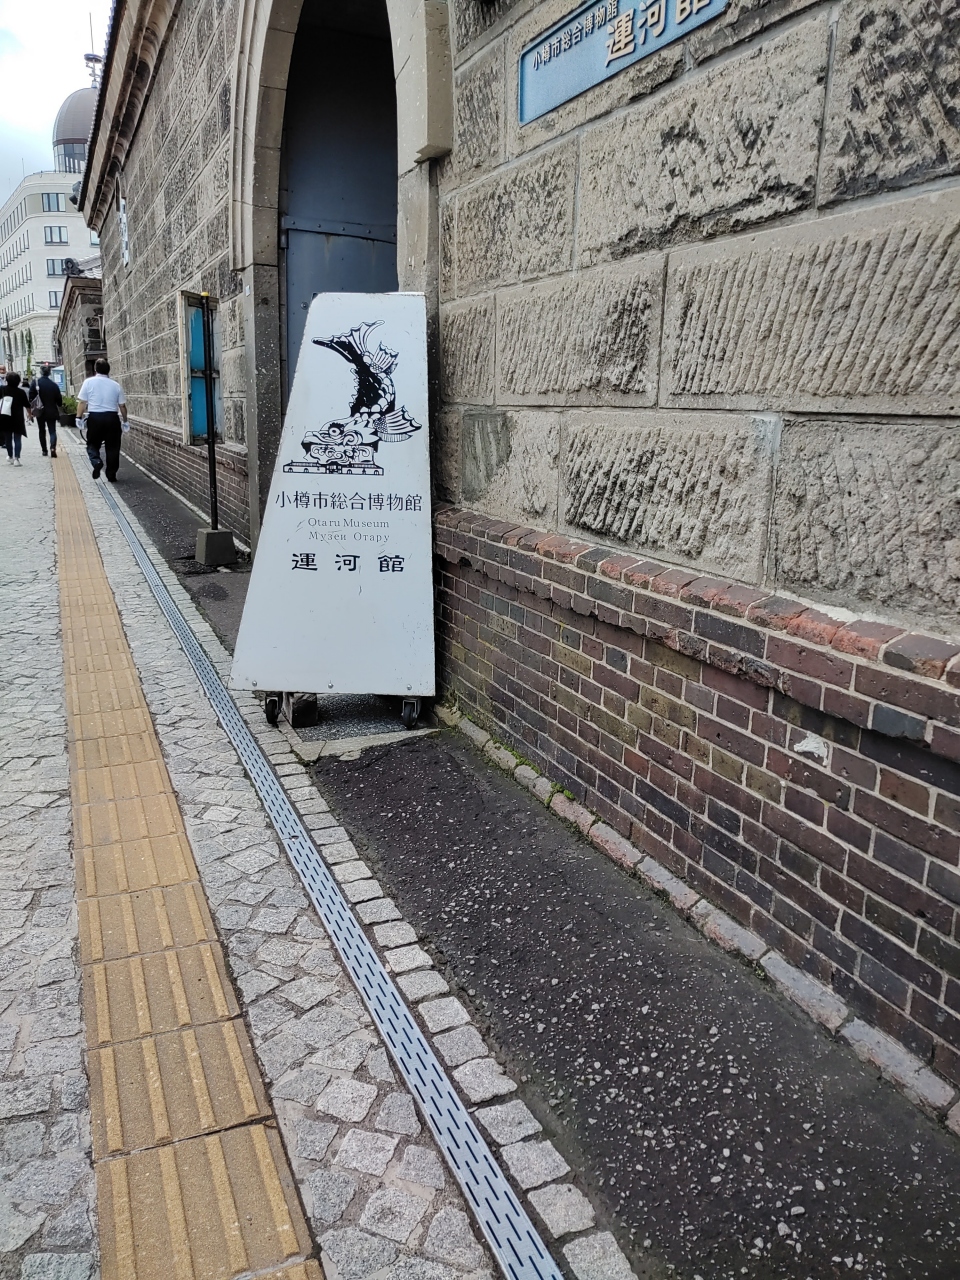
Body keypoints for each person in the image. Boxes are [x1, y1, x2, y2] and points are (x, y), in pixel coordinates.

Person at [77, 357, 128, 481]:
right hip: (112, 418)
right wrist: (125, 421)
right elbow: (122, 405)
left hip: (95, 418)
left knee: (92, 444)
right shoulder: (116, 385)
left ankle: (96, 461)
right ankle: (111, 474)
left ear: (95, 370)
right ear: (108, 370)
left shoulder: (88, 382)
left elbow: (82, 402)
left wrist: (78, 417)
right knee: (113, 447)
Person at [29, 364, 62, 457]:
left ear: (40, 372)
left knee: (41, 430)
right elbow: (59, 401)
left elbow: (31, 397)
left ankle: (44, 450)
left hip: (40, 411)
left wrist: (31, 410)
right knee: (52, 430)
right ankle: (53, 448)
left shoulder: (35, 383)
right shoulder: (54, 385)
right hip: (52, 411)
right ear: (49, 373)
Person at [0, 372, 30, 466]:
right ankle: (17, 458)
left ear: (7, 380)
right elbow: (27, 405)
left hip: (5, 417)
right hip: (18, 418)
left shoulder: (2, 389)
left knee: (8, 439)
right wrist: (30, 415)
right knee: (17, 439)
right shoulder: (21, 392)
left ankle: (10, 456)